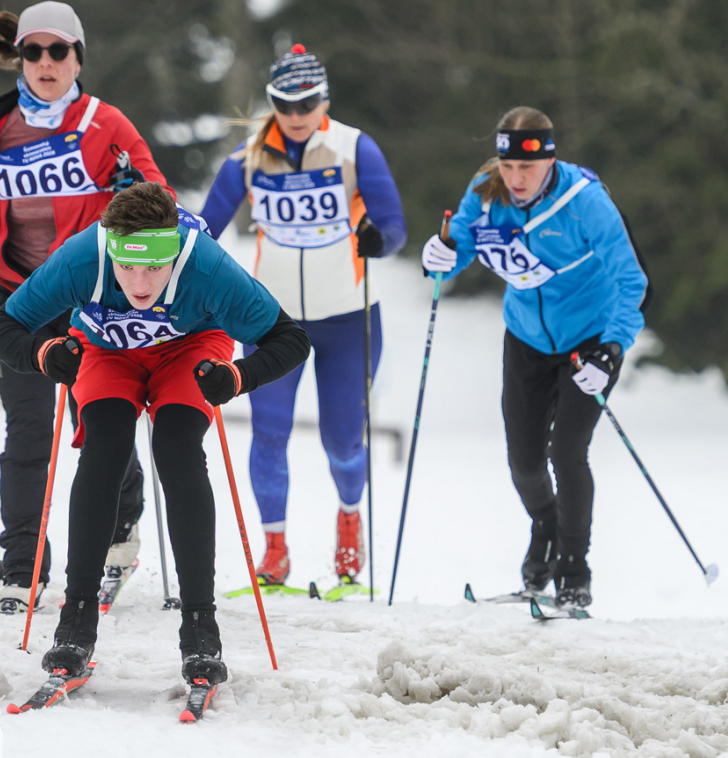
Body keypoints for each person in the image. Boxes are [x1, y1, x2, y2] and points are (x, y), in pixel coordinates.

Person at [0, 182, 310, 687]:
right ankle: (76, 621)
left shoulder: (206, 266)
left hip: (190, 347)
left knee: (177, 449)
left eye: (155, 267)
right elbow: (0, 326)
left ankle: (200, 627)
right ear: (111, 248)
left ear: (173, 252)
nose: (139, 283)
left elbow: (290, 339)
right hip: (107, 349)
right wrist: (42, 354)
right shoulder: (83, 257)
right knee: (105, 446)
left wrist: (239, 376)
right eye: (128, 266)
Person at [0, 1, 164, 605]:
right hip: (21, 297)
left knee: (100, 422)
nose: (45, 62)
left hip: (92, 293)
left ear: (77, 58)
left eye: (57, 50)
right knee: (28, 431)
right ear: (20, 58)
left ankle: (119, 537)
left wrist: (134, 191)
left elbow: (161, 199)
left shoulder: (105, 124)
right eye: (33, 51)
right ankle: (22, 568)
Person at [418, 107, 647, 608]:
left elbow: (633, 282)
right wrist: (440, 258)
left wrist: (612, 350)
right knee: (524, 463)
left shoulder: (585, 203)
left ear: (550, 160)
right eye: (508, 166)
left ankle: (573, 569)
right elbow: (460, 247)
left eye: (528, 167)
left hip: (589, 340)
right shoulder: (485, 191)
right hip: (525, 338)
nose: (517, 179)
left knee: (567, 453)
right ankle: (545, 526)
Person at [200, 44, 407, 587]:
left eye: (307, 104)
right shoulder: (248, 157)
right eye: (284, 105)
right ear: (271, 103)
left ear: (325, 101)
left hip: (348, 316)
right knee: (268, 433)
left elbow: (394, 226)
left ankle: (349, 522)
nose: (295, 115)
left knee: (343, 440)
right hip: (272, 321)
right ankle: (274, 551)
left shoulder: (355, 148)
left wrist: (378, 238)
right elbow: (204, 230)